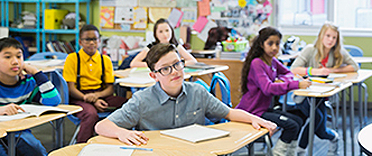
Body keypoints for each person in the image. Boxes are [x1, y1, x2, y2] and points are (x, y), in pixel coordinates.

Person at [95, 43, 277, 146]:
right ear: (154, 76)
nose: (174, 71)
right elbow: (101, 126)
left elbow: (229, 113)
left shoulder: (197, 91)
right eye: (165, 69)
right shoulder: (142, 101)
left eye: (177, 64)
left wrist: (257, 120)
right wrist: (120, 132)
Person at [235, 27, 312, 156]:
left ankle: (290, 154)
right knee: (292, 126)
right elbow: (268, 88)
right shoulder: (257, 63)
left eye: (277, 43)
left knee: (298, 121)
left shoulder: (273, 61)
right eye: (270, 43)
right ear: (261, 44)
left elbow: (288, 73)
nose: (274, 47)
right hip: (253, 112)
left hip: (263, 109)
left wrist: (280, 79)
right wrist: (296, 84)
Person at [289, 22, 358, 155]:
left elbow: (354, 66)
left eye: (334, 38)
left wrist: (332, 70)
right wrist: (314, 71)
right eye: (328, 36)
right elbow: (294, 69)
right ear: (321, 35)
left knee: (320, 130)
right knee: (317, 119)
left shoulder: (337, 52)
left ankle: (331, 138)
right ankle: (302, 149)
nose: (330, 40)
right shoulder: (310, 49)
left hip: (323, 96)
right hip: (305, 95)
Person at [0, 37, 61, 156]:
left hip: (18, 131)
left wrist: (36, 73)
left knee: (37, 150)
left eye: (19, 56)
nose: (15, 61)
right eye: (8, 57)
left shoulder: (28, 83)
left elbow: (53, 100)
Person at [63, 24, 128, 143]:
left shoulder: (105, 60)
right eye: (87, 40)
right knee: (90, 114)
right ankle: (82, 146)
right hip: (79, 96)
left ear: (99, 41)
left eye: (95, 39)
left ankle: (121, 140)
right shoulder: (72, 58)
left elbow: (110, 89)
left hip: (100, 94)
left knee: (128, 106)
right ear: (80, 42)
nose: (92, 43)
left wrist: (96, 97)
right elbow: (70, 88)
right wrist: (88, 99)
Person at [130, 18, 197, 68]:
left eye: (167, 30)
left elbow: (193, 61)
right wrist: (155, 66)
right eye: (160, 31)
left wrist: (177, 64)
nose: (165, 34)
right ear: (155, 34)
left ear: (172, 31)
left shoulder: (176, 46)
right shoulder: (151, 47)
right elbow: (133, 63)